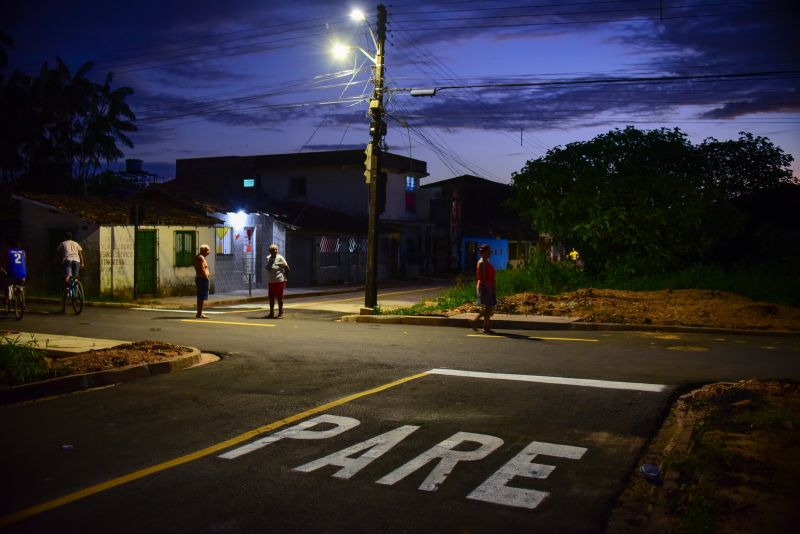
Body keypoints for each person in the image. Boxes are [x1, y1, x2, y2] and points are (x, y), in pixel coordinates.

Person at [471, 244, 496, 334]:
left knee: (489, 307)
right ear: (483, 253)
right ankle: (475, 321)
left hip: (489, 286)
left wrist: (493, 286)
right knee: (488, 307)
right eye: (488, 252)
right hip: (484, 287)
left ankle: (486, 327)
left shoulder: (487, 261)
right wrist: (488, 289)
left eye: (489, 252)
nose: (489, 254)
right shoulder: (481, 263)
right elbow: (483, 278)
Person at [57, 232, 83, 313]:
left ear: (65, 237)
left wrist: (57, 261)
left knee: (68, 276)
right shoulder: (76, 243)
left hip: (67, 260)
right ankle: (76, 284)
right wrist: (82, 262)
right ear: (72, 237)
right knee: (75, 277)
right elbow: (80, 253)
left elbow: (58, 253)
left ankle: (68, 288)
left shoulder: (63, 243)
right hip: (76, 260)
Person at [264, 243, 290, 319]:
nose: (275, 251)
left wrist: (285, 277)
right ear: (270, 251)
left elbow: (287, 269)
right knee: (271, 297)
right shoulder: (268, 258)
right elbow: (268, 268)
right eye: (273, 250)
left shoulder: (280, 258)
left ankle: (280, 313)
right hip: (271, 281)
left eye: (276, 249)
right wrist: (270, 263)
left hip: (279, 281)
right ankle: (271, 313)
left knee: (279, 297)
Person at [2, 242, 27, 306]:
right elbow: (24, 261)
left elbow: (4, 261)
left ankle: (7, 298)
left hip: (12, 273)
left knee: (6, 283)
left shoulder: (8, 251)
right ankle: (21, 295)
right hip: (23, 273)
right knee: (20, 282)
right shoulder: (23, 252)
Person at [194, 244, 211, 318]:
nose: (209, 252)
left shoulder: (200, 257)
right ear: (203, 250)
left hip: (201, 278)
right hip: (202, 279)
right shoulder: (200, 258)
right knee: (201, 296)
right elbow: (202, 269)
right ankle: (199, 313)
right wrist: (206, 278)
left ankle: (199, 312)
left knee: (201, 297)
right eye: (208, 250)